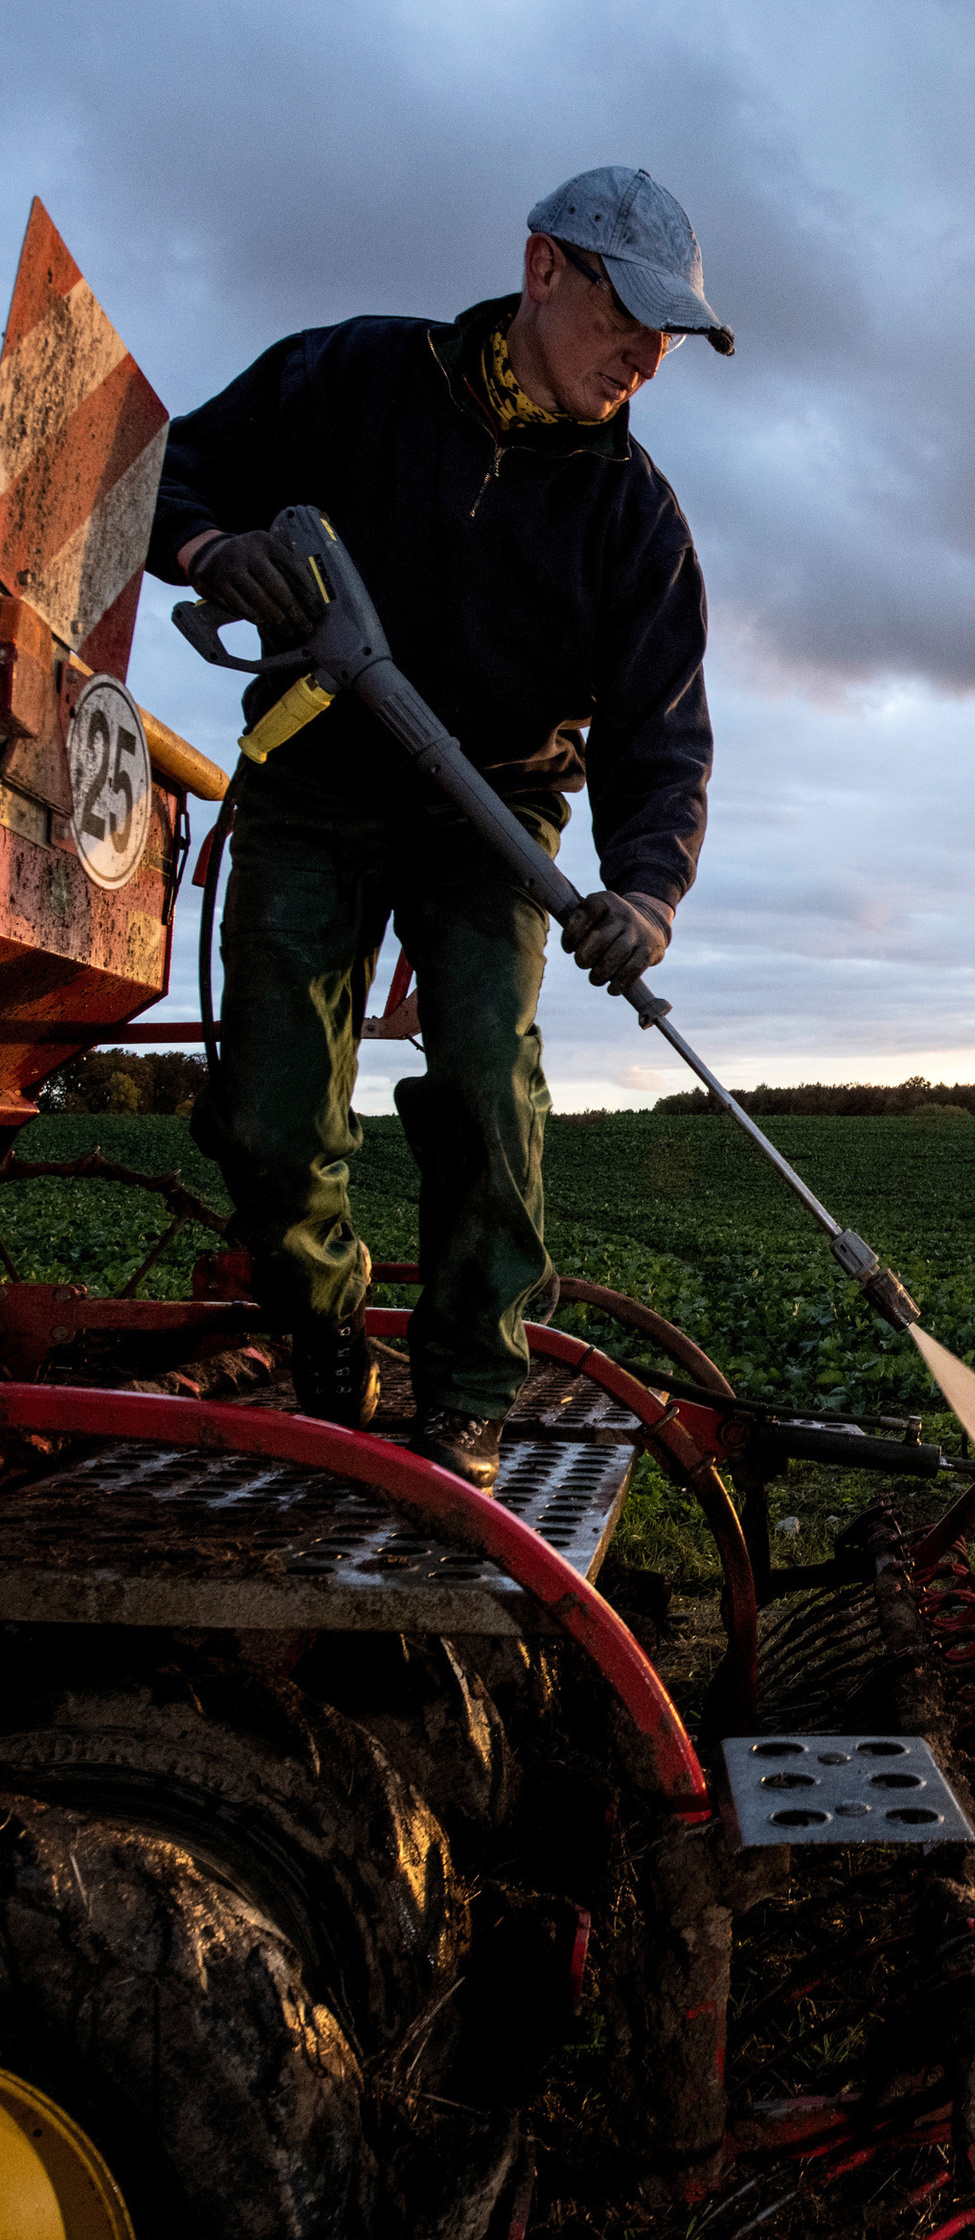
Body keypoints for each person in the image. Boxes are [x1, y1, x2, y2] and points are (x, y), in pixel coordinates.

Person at [147, 166, 731, 1489]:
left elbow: (662, 735)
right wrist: (206, 553)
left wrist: (645, 894)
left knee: (482, 1071)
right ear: (542, 269)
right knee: (267, 1108)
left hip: (494, 817)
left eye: (668, 339)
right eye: (625, 315)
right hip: (315, 780)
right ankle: (327, 1321)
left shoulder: (634, 519)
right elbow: (174, 471)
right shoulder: (350, 379)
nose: (645, 355)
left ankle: (469, 1386)